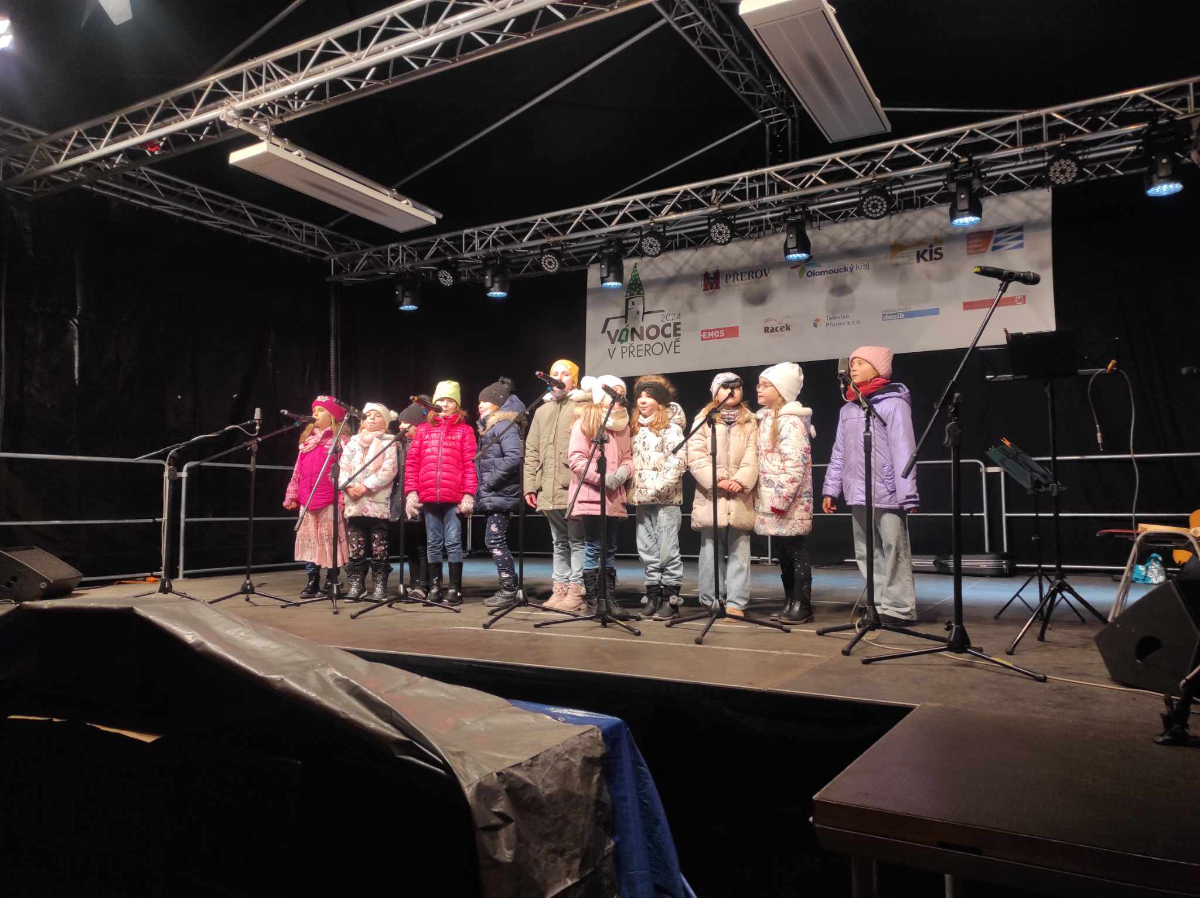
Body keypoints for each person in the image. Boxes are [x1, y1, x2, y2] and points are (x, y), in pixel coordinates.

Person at [821, 346, 920, 624]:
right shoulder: (848, 408)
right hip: (857, 491)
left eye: (861, 363)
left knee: (893, 550)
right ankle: (877, 605)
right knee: (866, 550)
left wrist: (908, 494)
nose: (853, 368)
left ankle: (899, 608)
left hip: (887, 490)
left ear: (878, 369)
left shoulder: (893, 403)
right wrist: (831, 488)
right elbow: (839, 451)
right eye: (852, 363)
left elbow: (904, 448)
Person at [687, 373, 759, 619]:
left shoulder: (751, 421)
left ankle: (737, 602)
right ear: (715, 391)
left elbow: (753, 454)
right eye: (726, 387)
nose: (732, 391)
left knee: (740, 551)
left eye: (737, 387)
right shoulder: (703, 420)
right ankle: (711, 599)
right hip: (711, 495)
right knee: (710, 551)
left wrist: (740, 480)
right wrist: (716, 480)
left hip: (740, 496)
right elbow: (695, 456)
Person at [524, 359, 590, 613]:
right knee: (559, 542)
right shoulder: (542, 411)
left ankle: (577, 590)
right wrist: (530, 485)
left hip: (573, 483)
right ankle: (560, 588)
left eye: (565, 374)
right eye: (554, 373)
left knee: (577, 540)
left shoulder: (582, 406)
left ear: (575, 380)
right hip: (548, 485)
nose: (559, 377)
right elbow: (532, 449)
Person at [754, 363, 817, 624]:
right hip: (774, 499)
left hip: (790, 501)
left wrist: (781, 499)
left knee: (795, 550)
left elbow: (795, 465)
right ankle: (790, 600)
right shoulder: (767, 419)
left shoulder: (790, 422)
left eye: (766, 385)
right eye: (759, 384)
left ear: (782, 390)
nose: (759, 389)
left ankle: (802, 604)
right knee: (783, 551)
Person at [567, 375, 635, 618]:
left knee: (610, 547)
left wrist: (623, 472)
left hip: (613, 494)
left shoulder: (624, 425)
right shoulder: (585, 421)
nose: (618, 396)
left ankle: (609, 598)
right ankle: (594, 599)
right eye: (612, 391)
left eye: (621, 392)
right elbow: (576, 459)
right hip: (591, 493)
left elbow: (627, 456)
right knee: (594, 545)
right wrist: (601, 478)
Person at [404, 381, 478, 605]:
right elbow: (412, 463)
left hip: (453, 497)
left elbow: (470, 464)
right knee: (433, 543)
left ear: (457, 405)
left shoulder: (465, 431)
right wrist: (412, 492)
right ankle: (435, 587)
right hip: (428, 496)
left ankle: (455, 588)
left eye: (450, 401)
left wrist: (468, 494)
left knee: (453, 542)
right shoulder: (423, 430)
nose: (444, 405)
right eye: (441, 400)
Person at [628, 374, 687, 621]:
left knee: (667, 549)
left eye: (649, 396)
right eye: (640, 396)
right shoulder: (635, 429)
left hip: (665, 499)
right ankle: (653, 595)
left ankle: (671, 599)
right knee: (647, 548)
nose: (643, 400)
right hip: (642, 499)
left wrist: (658, 486)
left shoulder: (671, 429)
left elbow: (678, 461)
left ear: (660, 401)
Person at [282, 396, 350, 598]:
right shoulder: (308, 443)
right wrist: (292, 495)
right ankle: (312, 580)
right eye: (314, 411)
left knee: (329, 540)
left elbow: (347, 471)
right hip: (308, 499)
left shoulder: (341, 442)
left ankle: (332, 579)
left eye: (321, 411)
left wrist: (343, 498)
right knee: (311, 539)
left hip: (329, 499)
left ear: (333, 416)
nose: (315, 414)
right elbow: (298, 471)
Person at [339, 402, 399, 601]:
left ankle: (379, 584)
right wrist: (348, 487)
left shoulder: (389, 442)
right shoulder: (352, 443)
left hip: (376, 502)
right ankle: (357, 584)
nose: (372, 418)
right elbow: (343, 468)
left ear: (385, 422)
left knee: (379, 546)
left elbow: (389, 470)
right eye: (368, 415)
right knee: (355, 546)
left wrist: (365, 487)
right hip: (354, 502)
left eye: (377, 415)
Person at [475, 377, 527, 607]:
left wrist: (489, 483)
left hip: (501, 493)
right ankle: (508, 586)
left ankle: (509, 589)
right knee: (493, 539)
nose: (480, 405)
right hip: (495, 494)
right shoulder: (492, 427)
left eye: (485, 401)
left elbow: (513, 457)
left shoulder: (505, 426)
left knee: (494, 539)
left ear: (497, 403)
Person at [390, 398, 429, 599]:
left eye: (406, 423)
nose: (401, 426)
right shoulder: (401, 445)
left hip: (420, 499)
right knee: (411, 544)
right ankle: (415, 582)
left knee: (422, 544)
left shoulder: (423, 445)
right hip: (403, 499)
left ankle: (424, 583)